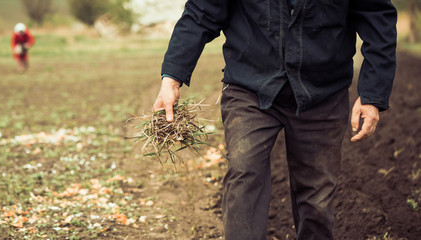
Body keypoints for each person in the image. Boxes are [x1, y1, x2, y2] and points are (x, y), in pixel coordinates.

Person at [152, 0, 397, 239]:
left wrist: (373, 96)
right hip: (250, 86)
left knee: (317, 196)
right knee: (244, 174)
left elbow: (378, 20)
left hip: (322, 92)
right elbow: (201, 11)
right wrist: (172, 78)